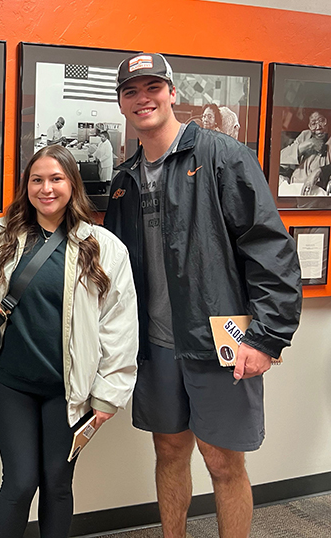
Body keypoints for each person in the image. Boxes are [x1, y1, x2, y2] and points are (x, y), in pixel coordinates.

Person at [104, 53, 302, 538]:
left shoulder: (222, 155)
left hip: (219, 342)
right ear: (122, 104)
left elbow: (270, 247)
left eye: (153, 87)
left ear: (173, 93)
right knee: (169, 452)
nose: (142, 98)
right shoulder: (124, 181)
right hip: (155, 347)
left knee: (221, 462)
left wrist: (267, 337)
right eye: (131, 91)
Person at [0, 144, 138, 538]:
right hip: (9, 384)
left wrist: (108, 396)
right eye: (37, 180)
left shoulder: (104, 248)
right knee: (19, 483)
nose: (46, 188)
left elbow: (119, 327)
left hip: (68, 392)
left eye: (56, 179)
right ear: (26, 185)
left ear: (72, 184)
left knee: (56, 483)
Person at [279, 111, 330, 193]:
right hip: (294, 187)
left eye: (321, 121)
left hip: (315, 191)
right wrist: (307, 145)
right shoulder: (305, 135)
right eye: (313, 123)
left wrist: (319, 171)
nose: (318, 127)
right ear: (309, 126)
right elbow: (279, 159)